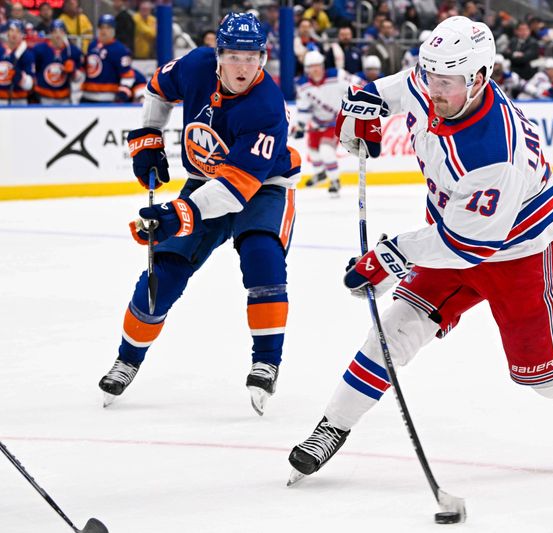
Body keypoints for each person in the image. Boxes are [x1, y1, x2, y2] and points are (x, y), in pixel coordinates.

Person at [287, 15, 553, 482]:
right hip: (450, 240)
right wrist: (365, 105)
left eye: (446, 82)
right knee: (391, 334)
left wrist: (389, 257)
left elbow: (468, 246)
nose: (433, 90)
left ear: (480, 79)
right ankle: (332, 427)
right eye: (430, 76)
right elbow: (399, 88)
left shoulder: (496, 152)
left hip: (522, 256)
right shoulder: (436, 84)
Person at [97, 13, 301, 417]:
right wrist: (148, 139)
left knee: (263, 257)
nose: (244, 67)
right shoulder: (195, 66)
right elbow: (157, 88)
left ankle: (266, 360)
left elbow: (235, 190)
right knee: (164, 270)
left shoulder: (266, 107)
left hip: (263, 188)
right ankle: (127, 358)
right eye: (234, 56)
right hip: (203, 180)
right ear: (218, 55)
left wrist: (178, 213)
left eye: (252, 57)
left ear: (263, 58)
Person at [294, 50, 359, 195]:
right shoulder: (303, 85)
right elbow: (304, 108)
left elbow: (359, 85)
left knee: (326, 151)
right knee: (313, 151)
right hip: (317, 123)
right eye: (312, 67)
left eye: (318, 66)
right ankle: (321, 173)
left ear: (323, 66)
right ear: (307, 69)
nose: (315, 69)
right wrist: (301, 125)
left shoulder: (337, 76)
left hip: (336, 122)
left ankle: (335, 180)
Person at [80, 14, 135, 103]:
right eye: (101, 27)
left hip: (107, 98)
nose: (104, 31)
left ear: (114, 30)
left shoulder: (120, 50)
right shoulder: (92, 45)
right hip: (87, 96)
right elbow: (86, 68)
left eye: (108, 28)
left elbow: (128, 75)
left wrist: (122, 94)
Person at [31, 19, 83, 105]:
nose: (58, 35)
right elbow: (33, 70)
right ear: (50, 33)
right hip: (43, 97)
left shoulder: (73, 51)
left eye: (61, 31)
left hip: (64, 98)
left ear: (65, 33)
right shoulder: (39, 50)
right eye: (55, 31)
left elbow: (79, 79)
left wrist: (73, 72)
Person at [0, 19, 35, 106]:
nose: (14, 34)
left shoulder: (27, 54)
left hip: (19, 101)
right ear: (7, 32)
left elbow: (30, 85)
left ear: (22, 35)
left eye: (18, 31)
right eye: (12, 30)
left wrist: (21, 78)